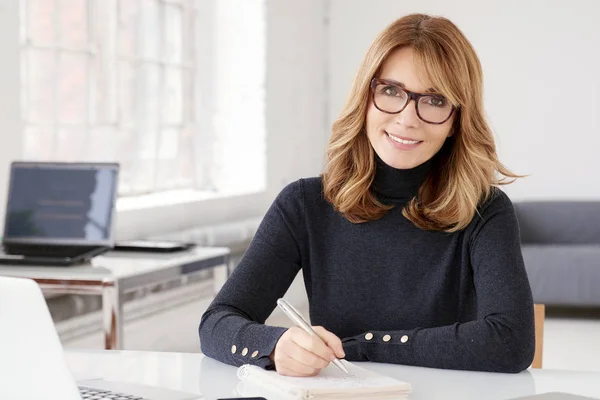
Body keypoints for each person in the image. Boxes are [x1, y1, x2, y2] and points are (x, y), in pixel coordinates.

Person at [199, 13, 535, 376]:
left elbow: (511, 343)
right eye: (391, 91)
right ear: (366, 97)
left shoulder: (485, 210)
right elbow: (216, 323)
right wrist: (275, 345)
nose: (407, 118)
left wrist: (360, 347)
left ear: (457, 119)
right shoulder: (304, 203)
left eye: (435, 100)